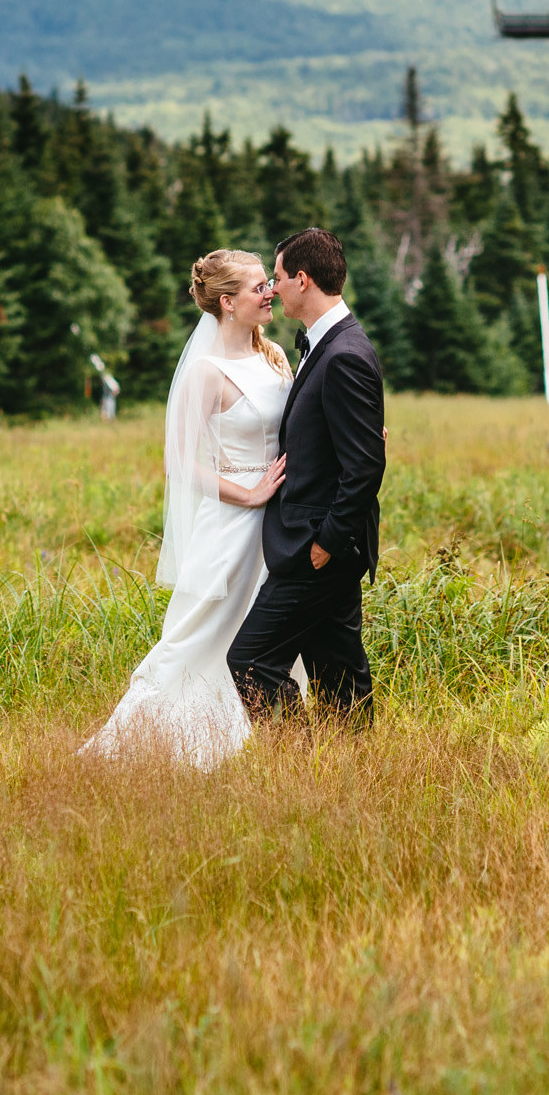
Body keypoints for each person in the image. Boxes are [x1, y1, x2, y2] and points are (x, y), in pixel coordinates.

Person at [81, 249, 293, 771]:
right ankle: (128, 748)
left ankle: (247, 746)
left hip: (279, 526)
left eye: (270, 282)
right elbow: (178, 463)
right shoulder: (206, 372)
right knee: (199, 634)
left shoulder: (275, 356)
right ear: (227, 302)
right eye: (258, 286)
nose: (270, 292)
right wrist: (248, 495)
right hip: (231, 524)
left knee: (266, 635)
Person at [227, 227, 386, 728]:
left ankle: (293, 757)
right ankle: (354, 769)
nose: (271, 289)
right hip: (322, 542)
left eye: (275, 278)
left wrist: (326, 544)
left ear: (302, 280)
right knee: (338, 672)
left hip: (318, 546)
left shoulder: (344, 355)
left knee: (250, 659)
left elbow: (365, 467)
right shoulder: (329, 344)